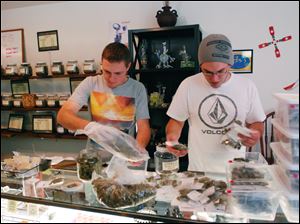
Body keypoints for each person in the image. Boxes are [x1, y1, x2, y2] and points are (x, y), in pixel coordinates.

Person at [165, 34, 266, 173]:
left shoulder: (247, 86)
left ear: (230, 65)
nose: (214, 78)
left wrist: (255, 134)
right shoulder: (188, 85)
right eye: (207, 72)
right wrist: (172, 138)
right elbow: (176, 121)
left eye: (220, 71)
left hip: (234, 170)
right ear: (200, 66)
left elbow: (257, 122)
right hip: (198, 170)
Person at [57, 42, 151, 160]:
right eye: (106, 72)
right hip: (94, 159)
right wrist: (91, 127)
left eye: (118, 73)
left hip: (123, 159)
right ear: (102, 65)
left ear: (128, 67)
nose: (111, 79)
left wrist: (138, 150)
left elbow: (143, 127)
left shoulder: (137, 88)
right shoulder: (90, 83)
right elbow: (63, 116)